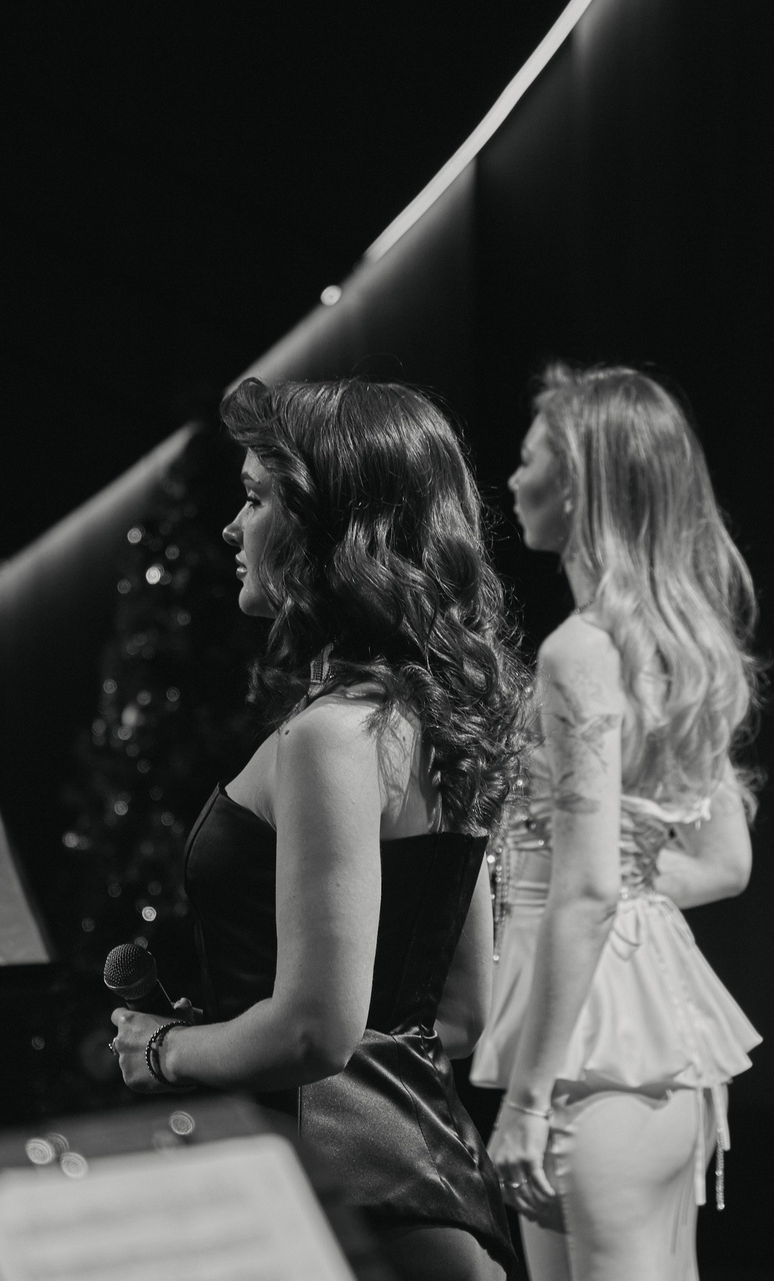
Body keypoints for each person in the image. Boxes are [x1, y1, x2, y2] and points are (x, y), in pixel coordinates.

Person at [108, 377, 533, 1281]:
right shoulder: (433, 724)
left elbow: (315, 1032)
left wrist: (163, 1049)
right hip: (426, 1197)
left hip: (344, 1208)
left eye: (256, 499)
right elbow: (458, 1015)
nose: (233, 528)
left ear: (332, 529)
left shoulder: (330, 738)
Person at [473, 363, 764, 1281]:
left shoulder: (581, 652)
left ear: (580, 485)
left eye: (530, 459)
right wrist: (607, 874)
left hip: (594, 1049)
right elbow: (724, 861)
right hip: (649, 1026)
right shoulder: (676, 648)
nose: (512, 479)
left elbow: (592, 886)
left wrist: (525, 1102)